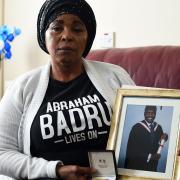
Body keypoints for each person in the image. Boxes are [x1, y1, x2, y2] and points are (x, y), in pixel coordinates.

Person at [0, 0, 135, 179]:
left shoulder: (115, 76)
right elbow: (2, 153)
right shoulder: (22, 88)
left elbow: (141, 127)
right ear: (44, 35)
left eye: (77, 29)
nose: (67, 36)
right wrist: (55, 170)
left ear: (88, 37)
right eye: (57, 28)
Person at [124, 105, 168, 172]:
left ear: (155, 114)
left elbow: (159, 142)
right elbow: (132, 149)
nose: (150, 115)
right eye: (148, 113)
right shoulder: (136, 128)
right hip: (137, 165)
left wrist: (165, 137)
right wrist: (150, 156)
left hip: (152, 165)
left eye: (153, 113)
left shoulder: (158, 127)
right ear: (144, 113)